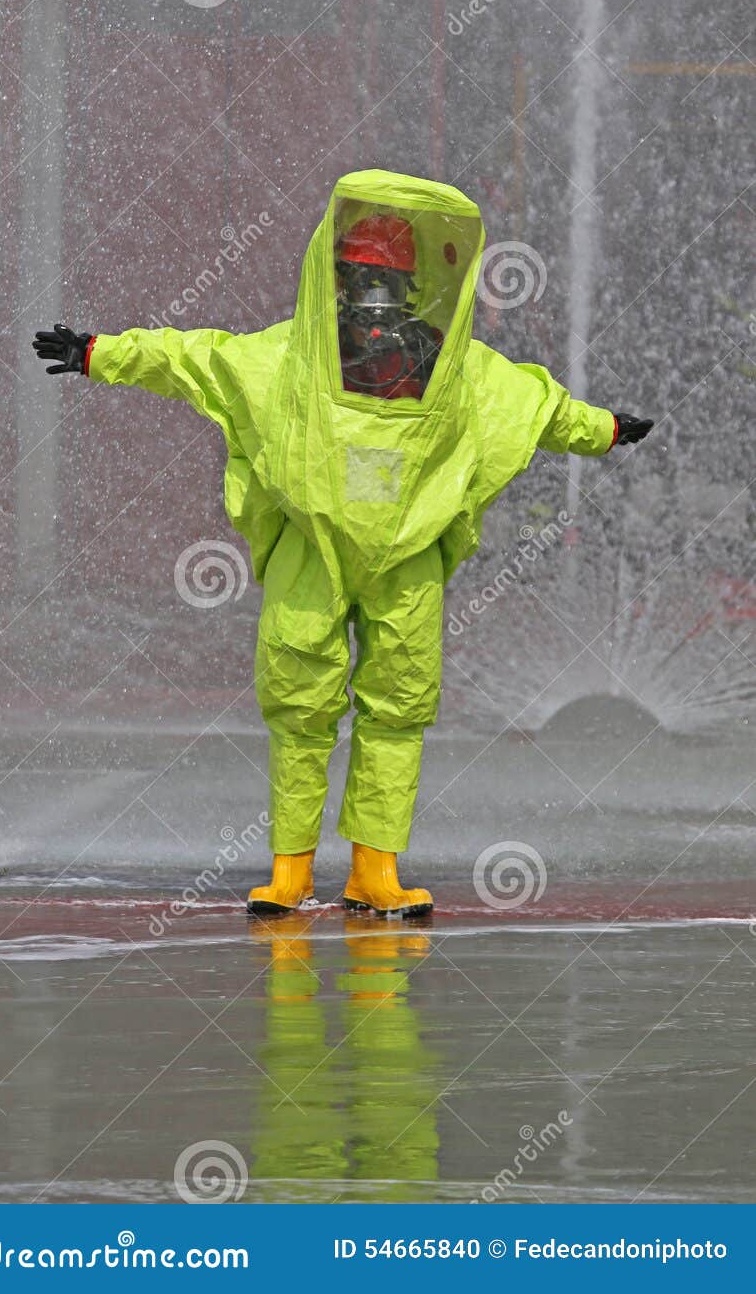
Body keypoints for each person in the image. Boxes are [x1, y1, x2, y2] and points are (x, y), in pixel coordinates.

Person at [33, 168, 653, 918]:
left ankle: (373, 870)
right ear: (334, 274)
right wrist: (102, 353)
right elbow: (195, 359)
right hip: (315, 548)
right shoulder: (293, 357)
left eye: (382, 280)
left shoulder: (446, 367)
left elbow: (539, 406)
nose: (370, 295)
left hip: (405, 551)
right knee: (300, 701)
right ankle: (290, 869)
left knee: (397, 704)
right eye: (358, 277)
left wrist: (605, 429)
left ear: (407, 286)